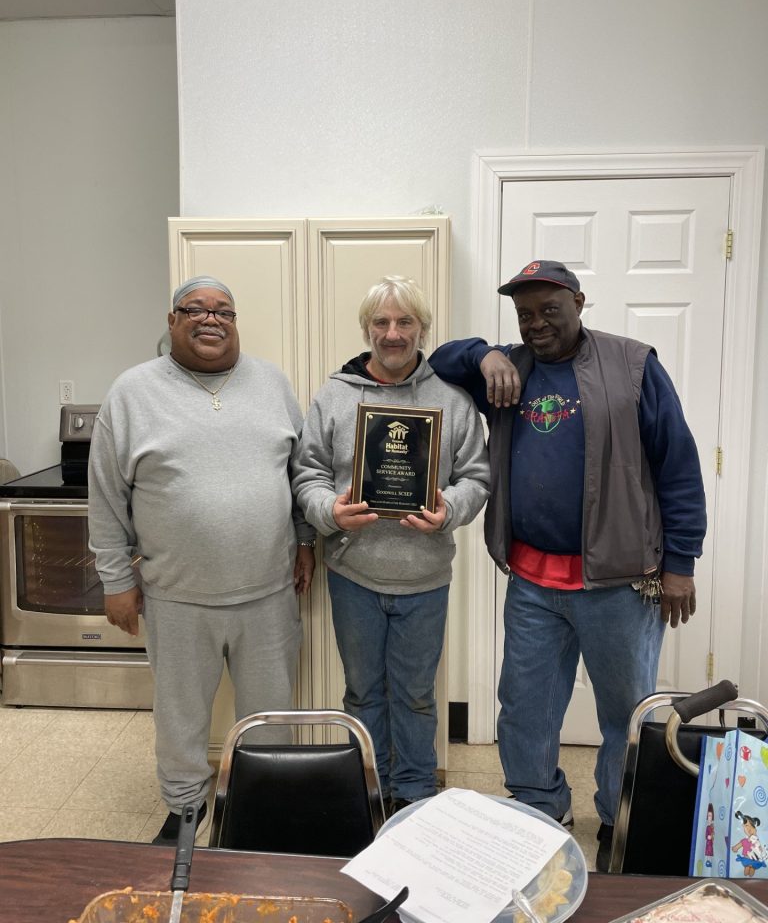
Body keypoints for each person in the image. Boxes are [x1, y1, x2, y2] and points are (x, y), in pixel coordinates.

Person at [429, 259, 706, 871]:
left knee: (625, 711)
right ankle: (537, 808)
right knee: (524, 705)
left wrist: (681, 562)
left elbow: (678, 463)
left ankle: (618, 817)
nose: (535, 324)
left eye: (549, 310)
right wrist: (481, 355)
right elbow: (438, 359)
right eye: (524, 314)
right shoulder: (510, 369)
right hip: (532, 580)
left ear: (580, 303)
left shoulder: (633, 365)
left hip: (620, 580)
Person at [88, 276, 315, 844]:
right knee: (181, 718)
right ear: (172, 321)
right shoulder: (132, 392)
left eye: (224, 312)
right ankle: (186, 808)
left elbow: (302, 471)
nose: (211, 320)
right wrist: (116, 580)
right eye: (195, 309)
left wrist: (306, 540)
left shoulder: (271, 382)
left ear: (236, 322)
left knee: (271, 715)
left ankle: (265, 804)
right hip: (176, 595)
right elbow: (106, 496)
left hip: (268, 592)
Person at [292, 276, 489, 814]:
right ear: (366, 329)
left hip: (425, 579)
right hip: (353, 574)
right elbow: (307, 473)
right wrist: (328, 512)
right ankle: (368, 790)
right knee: (362, 693)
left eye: (405, 322)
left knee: (417, 696)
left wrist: (450, 508)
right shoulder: (334, 397)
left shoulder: (452, 401)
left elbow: (477, 477)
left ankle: (417, 794)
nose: (393, 333)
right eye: (381, 322)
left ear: (422, 328)